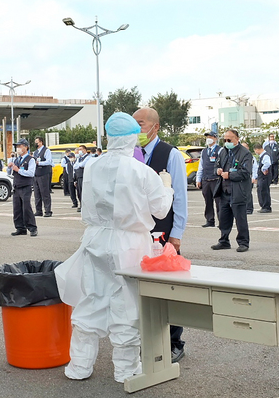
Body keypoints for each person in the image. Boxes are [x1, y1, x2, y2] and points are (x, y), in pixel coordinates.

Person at [55, 113, 173, 383]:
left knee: (91, 298)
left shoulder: (92, 166)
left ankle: (79, 366)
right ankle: (126, 370)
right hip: (129, 243)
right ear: (133, 138)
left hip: (96, 238)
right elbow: (161, 209)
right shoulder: (141, 171)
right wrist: (167, 187)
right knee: (127, 305)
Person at [132, 107, 188, 363]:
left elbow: (180, 197)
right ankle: (148, 339)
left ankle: (174, 341)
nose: (137, 129)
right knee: (143, 285)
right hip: (138, 230)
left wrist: (176, 234)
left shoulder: (170, 154)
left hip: (164, 230)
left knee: (169, 286)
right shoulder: (132, 154)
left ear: (155, 127)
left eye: (141, 124)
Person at [212, 129, 253, 252]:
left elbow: (246, 172)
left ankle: (243, 242)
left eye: (229, 140)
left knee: (240, 219)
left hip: (238, 191)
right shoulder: (223, 151)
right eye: (225, 140)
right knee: (223, 218)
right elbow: (216, 165)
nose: (226, 142)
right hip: (224, 191)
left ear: (237, 139)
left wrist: (230, 175)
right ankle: (224, 241)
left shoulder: (245, 153)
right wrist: (218, 170)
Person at [8, 138, 37, 237]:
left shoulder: (30, 159)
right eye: (17, 147)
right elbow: (11, 173)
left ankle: (32, 228)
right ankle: (20, 228)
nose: (18, 148)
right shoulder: (17, 159)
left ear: (25, 147)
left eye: (20, 146)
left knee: (26, 208)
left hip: (25, 186)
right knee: (17, 208)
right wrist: (10, 167)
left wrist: (19, 170)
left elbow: (31, 173)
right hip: (17, 186)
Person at [196, 131, 222, 227]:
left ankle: (222, 221)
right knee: (208, 201)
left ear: (215, 138)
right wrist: (198, 179)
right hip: (206, 180)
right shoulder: (204, 151)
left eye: (210, 137)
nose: (208, 139)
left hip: (216, 180)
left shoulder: (220, 150)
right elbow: (201, 166)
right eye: (207, 137)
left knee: (219, 202)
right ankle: (210, 220)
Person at [32, 137, 53, 217]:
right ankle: (38, 210)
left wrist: (39, 163)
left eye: (37, 142)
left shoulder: (46, 151)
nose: (35, 144)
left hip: (44, 174)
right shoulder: (35, 152)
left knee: (45, 193)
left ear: (41, 142)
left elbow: (48, 161)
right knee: (37, 194)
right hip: (36, 174)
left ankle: (48, 211)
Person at [253, 143, 272, 213]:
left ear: (257, 149)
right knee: (261, 190)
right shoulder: (262, 156)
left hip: (264, 177)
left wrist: (263, 169)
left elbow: (267, 163)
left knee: (264, 191)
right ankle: (263, 206)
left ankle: (266, 206)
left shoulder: (265, 155)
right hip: (262, 177)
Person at [74, 145, 89, 212]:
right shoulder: (79, 158)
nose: (79, 151)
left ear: (84, 150)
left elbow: (82, 165)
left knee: (84, 192)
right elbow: (75, 166)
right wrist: (79, 165)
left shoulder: (88, 157)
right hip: (79, 176)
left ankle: (85, 206)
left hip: (84, 176)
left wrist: (79, 165)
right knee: (79, 192)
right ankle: (81, 205)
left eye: (81, 149)